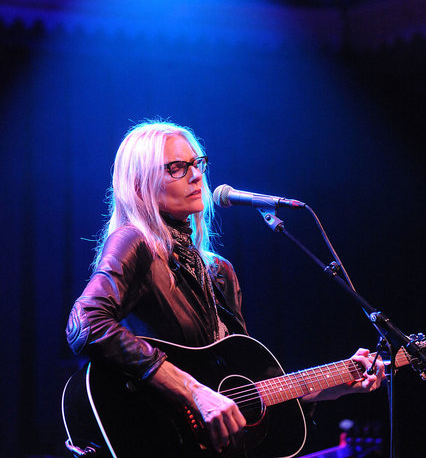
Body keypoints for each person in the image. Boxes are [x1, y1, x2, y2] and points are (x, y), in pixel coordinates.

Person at [66, 120, 384, 456]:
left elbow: (243, 390)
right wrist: (193, 391)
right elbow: (85, 323)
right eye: (176, 167)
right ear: (140, 183)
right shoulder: (136, 242)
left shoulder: (219, 272)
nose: (195, 175)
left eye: (197, 163)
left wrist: (332, 387)